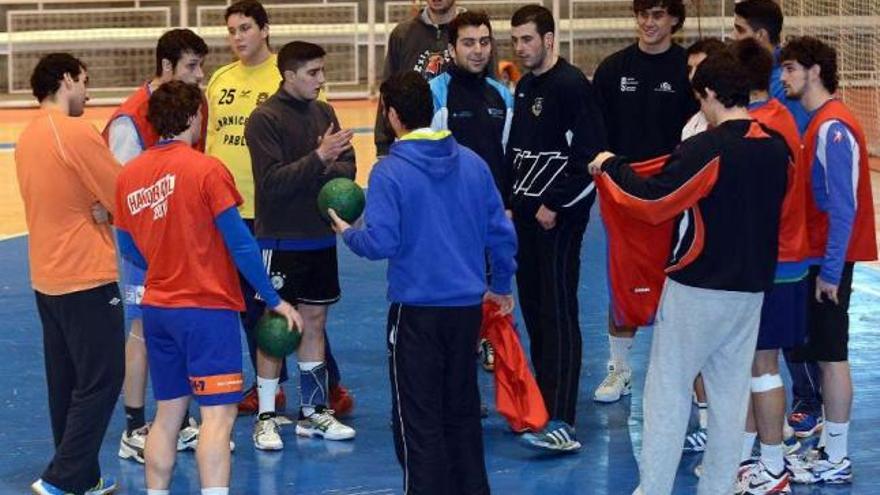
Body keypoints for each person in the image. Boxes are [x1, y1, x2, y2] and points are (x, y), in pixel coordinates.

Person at [590, 51, 790, 494]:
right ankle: (717, 488)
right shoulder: (777, 149)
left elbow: (651, 201)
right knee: (728, 396)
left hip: (699, 287)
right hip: (751, 290)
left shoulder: (709, 148)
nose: (699, 105)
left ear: (713, 94)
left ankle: (654, 489)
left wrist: (610, 165)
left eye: (700, 96)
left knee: (667, 393)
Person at [329, 70, 517, 495]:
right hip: (466, 311)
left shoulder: (390, 172)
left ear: (392, 115)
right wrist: (501, 285)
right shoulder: (472, 163)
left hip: (416, 314)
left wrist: (349, 232)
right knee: (463, 411)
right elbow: (501, 234)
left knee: (419, 421)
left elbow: (381, 242)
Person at [114, 80, 303, 495]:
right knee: (218, 418)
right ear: (193, 117)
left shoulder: (129, 176)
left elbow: (127, 244)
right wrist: (273, 299)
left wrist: (163, 263)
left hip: (158, 309)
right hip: (206, 309)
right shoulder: (207, 169)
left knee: (167, 413)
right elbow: (240, 242)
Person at [206, 0, 351, 418]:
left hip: (281, 208)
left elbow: (332, 150)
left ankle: (326, 388)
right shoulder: (220, 80)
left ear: (265, 30)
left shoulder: (290, 77)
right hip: (231, 209)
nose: (238, 37)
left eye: (246, 27)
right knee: (256, 308)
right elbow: (213, 137)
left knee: (305, 309)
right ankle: (269, 390)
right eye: (231, 29)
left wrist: (321, 163)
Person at [17, 52, 123, 495]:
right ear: (65, 80)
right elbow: (122, 194)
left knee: (68, 381)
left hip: (47, 274)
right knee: (103, 377)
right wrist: (106, 212)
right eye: (83, 81)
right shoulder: (76, 131)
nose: (88, 92)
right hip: (86, 274)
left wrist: (98, 209)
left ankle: (82, 477)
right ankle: (61, 479)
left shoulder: (27, 137)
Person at [103, 27, 209, 465]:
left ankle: (177, 419)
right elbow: (122, 198)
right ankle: (133, 427)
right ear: (165, 68)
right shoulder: (129, 120)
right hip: (143, 248)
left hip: (181, 242)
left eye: (201, 65)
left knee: (177, 325)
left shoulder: (193, 107)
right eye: (191, 66)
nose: (201, 76)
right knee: (142, 329)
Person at [244, 41, 357, 449]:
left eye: (322, 71)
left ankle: (313, 412)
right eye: (313, 73)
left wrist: (323, 161)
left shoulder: (324, 112)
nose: (321, 80)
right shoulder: (264, 119)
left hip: (319, 238)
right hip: (280, 238)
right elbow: (272, 185)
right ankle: (267, 417)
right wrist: (319, 158)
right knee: (276, 329)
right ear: (288, 75)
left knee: (315, 324)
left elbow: (348, 165)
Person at [506, 4, 606, 452]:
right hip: (525, 222)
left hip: (558, 223)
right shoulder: (525, 86)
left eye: (528, 39)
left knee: (559, 312)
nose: (521, 47)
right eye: (516, 40)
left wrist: (555, 204)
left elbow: (590, 157)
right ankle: (543, 406)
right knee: (535, 312)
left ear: (549, 39)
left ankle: (563, 417)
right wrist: (512, 205)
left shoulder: (571, 87)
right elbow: (519, 152)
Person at [781, 36, 878, 485]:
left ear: (814, 71)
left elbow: (845, 208)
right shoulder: (819, 122)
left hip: (827, 262)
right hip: (817, 259)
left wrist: (833, 272)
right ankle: (828, 449)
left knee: (833, 356)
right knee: (822, 354)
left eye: (790, 70)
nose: (783, 79)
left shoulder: (832, 128)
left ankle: (837, 457)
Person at [591, 0, 696, 403]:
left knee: (679, 279)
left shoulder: (689, 70)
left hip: (675, 192)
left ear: (673, 20)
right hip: (623, 191)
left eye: (657, 15)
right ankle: (619, 369)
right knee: (624, 277)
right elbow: (596, 132)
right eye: (643, 14)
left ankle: (681, 375)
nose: (648, 23)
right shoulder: (613, 69)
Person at [732, 0, 822, 438]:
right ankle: (761, 450)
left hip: (787, 243)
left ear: (760, 37)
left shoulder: (781, 103)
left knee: (781, 346)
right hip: (780, 242)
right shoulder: (769, 99)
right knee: (764, 353)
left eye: (739, 30)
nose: (733, 39)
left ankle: (801, 411)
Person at [727, 38, 809, 495]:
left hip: (770, 262)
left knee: (761, 368)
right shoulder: (782, 117)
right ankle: (745, 462)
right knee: (754, 367)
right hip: (785, 258)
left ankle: (773, 467)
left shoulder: (755, 131)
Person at [374, 0, 459, 156]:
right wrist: (383, 146)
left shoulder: (473, 35)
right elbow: (387, 92)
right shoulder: (402, 35)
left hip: (458, 146)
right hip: (412, 147)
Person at [680, 37, 726, 141]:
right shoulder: (692, 124)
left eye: (700, 68)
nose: (692, 76)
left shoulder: (744, 118)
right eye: (690, 69)